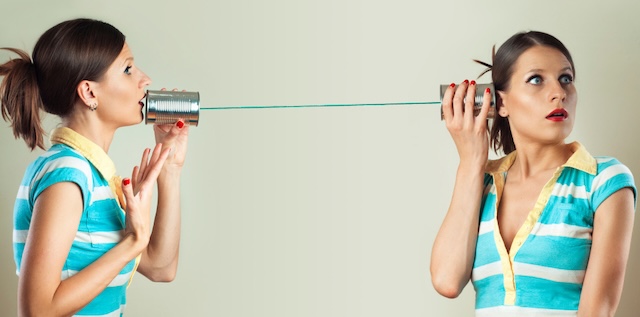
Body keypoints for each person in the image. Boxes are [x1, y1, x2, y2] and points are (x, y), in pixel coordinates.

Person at [430, 31, 636, 316]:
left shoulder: (604, 180)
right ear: (499, 103)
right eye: (536, 80)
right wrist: (471, 162)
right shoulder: (483, 182)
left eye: (566, 78)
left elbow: (596, 312)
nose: (559, 93)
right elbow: (447, 281)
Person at [1, 18, 189, 316]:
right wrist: (131, 242)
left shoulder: (91, 173)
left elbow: (161, 267)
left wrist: (170, 164)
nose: (145, 79)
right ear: (89, 93)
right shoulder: (68, 175)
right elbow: (36, 311)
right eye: (128, 69)